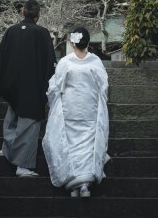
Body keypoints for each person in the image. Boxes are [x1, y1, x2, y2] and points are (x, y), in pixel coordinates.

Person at [0, 0, 56, 178]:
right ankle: (22, 165)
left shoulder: (11, 31)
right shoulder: (42, 33)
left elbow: (1, 58)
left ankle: (7, 150)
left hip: (11, 83)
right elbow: (49, 63)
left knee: (12, 115)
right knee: (29, 124)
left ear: (22, 12)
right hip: (32, 85)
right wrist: (48, 87)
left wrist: (0, 85)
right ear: (38, 15)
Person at [43, 27, 110, 197]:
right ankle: (85, 184)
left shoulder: (65, 62)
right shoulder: (95, 61)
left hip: (69, 107)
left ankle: (73, 184)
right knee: (88, 144)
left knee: (70, 143)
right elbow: (103, 87)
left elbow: (55, 87)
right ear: (87, 42)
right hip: (90, 107)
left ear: (72, 42)